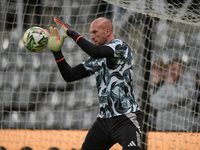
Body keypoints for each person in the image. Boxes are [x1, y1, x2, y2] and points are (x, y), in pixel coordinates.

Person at [45, 17, 143, 150]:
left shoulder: (121, 47)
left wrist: (73, 33)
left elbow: (95, 52)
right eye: (90, 33)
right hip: (103, 121)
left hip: (125, 118)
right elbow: (70, 76)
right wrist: (57, 53)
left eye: (95, 32)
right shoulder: (96, 59)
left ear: (107, 31)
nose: (91, 37)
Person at [150, 59, 198, 131]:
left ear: (182, 69)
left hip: (183, 128)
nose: (172, 72)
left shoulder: (189, 82)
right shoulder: (169, 81)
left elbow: (179, 99)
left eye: (174, 69)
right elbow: (154, 100)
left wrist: (170, 86)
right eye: (170, 70)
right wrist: (169, 104)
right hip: (163, 127)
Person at [149, 61, 169, 130]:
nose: (159, 73)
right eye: (157, 70)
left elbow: (169, 103)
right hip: (147, 120)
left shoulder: (168, 85)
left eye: (162, 70)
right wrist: (151, 85)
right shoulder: (148, 84)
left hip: (162, 121)